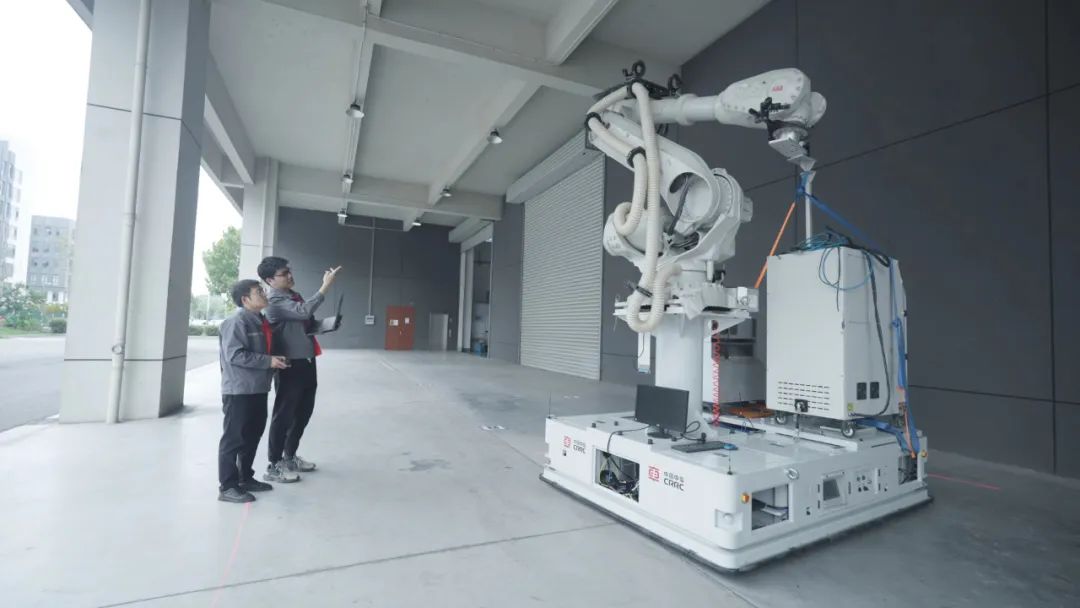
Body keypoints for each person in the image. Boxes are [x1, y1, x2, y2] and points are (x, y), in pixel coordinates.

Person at [258, 256, 342, 483]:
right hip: (289, 364)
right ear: (270, 280)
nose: (290, 276)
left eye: (289, 271)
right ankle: (274, 464)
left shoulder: (293, 296)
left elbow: (306, 322)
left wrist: (326, 325)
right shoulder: (274, 301)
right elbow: (304, 311)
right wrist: (325, 286)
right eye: (284, 273)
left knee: (303, 412)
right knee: (284, 415)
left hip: (306, 360)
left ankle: (289, 456)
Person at [217, 279, 290, 503]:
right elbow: (234, 355)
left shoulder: (260, 321)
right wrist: (268, 361)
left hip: (258, 387)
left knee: (252, 435)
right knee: (234, 438)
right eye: (259, 292)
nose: (265, 294)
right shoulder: (236, 322)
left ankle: (245, 477)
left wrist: (274, 360)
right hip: (239, 390)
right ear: (245, 299)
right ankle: (227, 486)